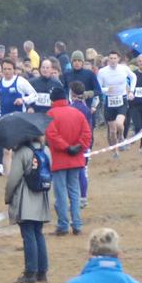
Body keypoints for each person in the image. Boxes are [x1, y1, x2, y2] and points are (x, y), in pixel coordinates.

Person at [44, 87, 91, 236]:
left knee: (61, 193)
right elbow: (87, 133)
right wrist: (79, 147)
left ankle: (63, 225)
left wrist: (66, 147)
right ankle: (77, 224)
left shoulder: (50, 114)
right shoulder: (77, 113)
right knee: (75, 192)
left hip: (59, 159)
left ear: (52, 100)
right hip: (76, 159)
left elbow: (52, 135)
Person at [6, 137, 52, 283]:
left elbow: (13, 179)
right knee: (38, 233)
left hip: (25, 200)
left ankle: (30, 272)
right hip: (41, 198)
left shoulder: (22, 152)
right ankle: (42, 272)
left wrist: (8, 197)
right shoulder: (46, 150)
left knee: (28, 235)